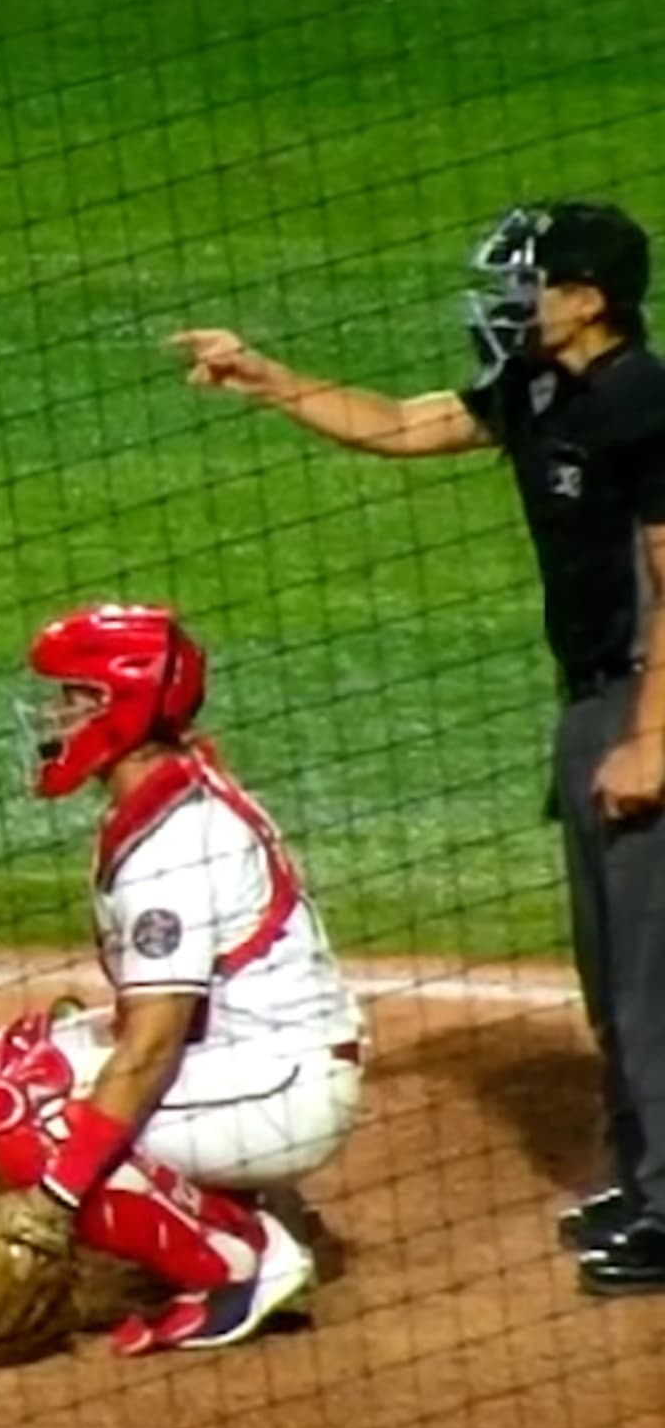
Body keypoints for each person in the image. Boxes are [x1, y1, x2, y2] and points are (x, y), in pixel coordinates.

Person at [172, 200, 665, 1295]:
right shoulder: (541, 390)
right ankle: (645, 1184)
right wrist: (268, 377)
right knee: (611, 967)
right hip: (595, 696)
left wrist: (650, 739)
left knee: (651, 973)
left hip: (647, 700)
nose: (503, 301)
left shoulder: (645, 403)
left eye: (525, 282)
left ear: (589, 299)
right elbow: (405, 424)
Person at [0, 604, 365, 1353]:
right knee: (16, 1057)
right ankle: (247, 1205)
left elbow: (152, 1045)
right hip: (262, 1058)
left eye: (73, 698)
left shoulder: (171, 848)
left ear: (123, 706)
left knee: (20, 1117)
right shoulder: (170, 791)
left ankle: (238, 1263)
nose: (53, 717)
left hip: (284, 1088)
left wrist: (56, 1196)